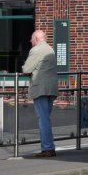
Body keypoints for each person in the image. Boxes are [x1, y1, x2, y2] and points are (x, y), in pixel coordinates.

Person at [23, 29, 58, 158]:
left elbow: (26, 69)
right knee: (46, 118)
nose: (30, 41)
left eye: (32, 39)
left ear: (37, 39)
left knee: (43, 120)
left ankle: (47, 148)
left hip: (41, 89)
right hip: (51, 89)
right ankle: (50, 147)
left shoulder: (36, 50)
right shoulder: (50, 49)